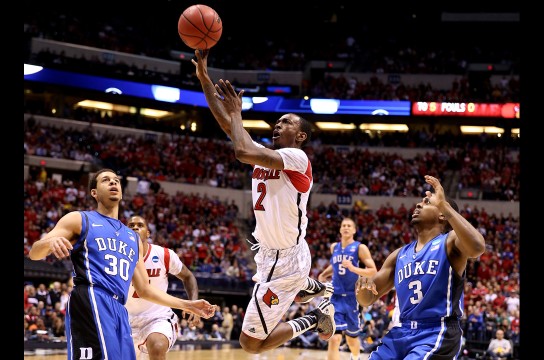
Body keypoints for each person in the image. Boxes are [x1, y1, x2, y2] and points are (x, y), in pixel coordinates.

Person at [192, 49, 335, 354]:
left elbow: (241, 149)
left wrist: (237, 114)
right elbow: (229, 127)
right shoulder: (265, 155)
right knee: (259, 329)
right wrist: (204, 79)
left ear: (301, 137)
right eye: (277, 122)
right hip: (273, 254)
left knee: (250, 344)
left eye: (286, 122)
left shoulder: (297, 158)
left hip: (284, 262)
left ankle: (313, 316)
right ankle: (307, 286)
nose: (278, 125)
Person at [29, 168, 217, 360]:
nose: (113, 183)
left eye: (116, 180)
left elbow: (146, 290)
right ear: (94, 192)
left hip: (119, 308)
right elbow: (35, 252)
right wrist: (49, 243)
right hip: (92, 298)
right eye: (106, 180)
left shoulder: (132, 239)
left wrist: (188, 305)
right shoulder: (80, 219)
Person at [355, 175, 486, 359]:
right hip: (402, 332)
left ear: (441, 213)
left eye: (426, 202)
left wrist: (444, 205)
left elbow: (478, 248)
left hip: (437, 331)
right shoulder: (399, 255)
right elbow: (367, 299)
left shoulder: (450, 242)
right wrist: (362, 286)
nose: (418, 205)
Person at [125, 215, 202, 360]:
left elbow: (188, 276)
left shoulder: (164, 255)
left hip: (157, 317)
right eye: (131, 225)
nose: (135, 227)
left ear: (148, 233)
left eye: (140, 225)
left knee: (157, 345)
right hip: (125, 320)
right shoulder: (117, 257)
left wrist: (193, 304)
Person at [318, 217, 377, 360]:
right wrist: (324, 274)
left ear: (354, 230)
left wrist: (352, 268)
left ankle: (355, 357)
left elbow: (373, 270)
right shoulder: (334, 247)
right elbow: (336, 265)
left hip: (352, 298)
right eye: (343, 225)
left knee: (351, 339)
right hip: (335, 297)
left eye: (349, 226)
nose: (346, 227)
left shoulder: (360, 247)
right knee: (333, 339)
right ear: (340, 229)